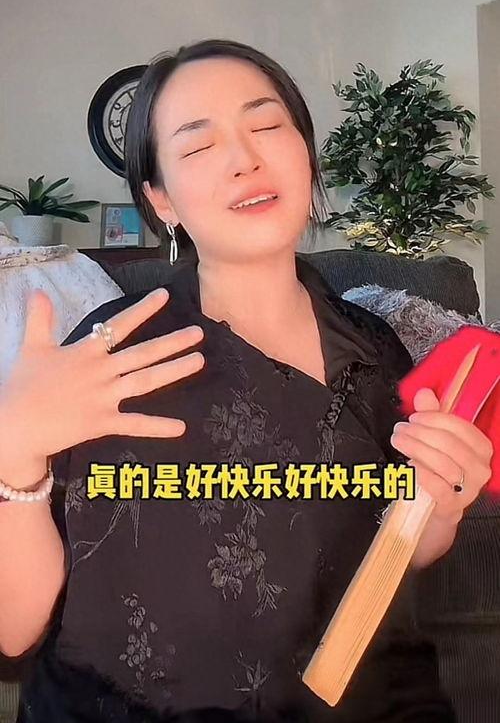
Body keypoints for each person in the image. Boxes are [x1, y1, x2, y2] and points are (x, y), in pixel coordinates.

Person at [0, 40, 493, 723]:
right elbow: (14, 634)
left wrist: (438, 510)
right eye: (199, 146)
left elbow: (400, 551)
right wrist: (15, 453)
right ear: (161, 199)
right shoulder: (111, 355)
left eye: (266, 125)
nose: (244, 158)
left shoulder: (377, 348)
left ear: (306, 156)